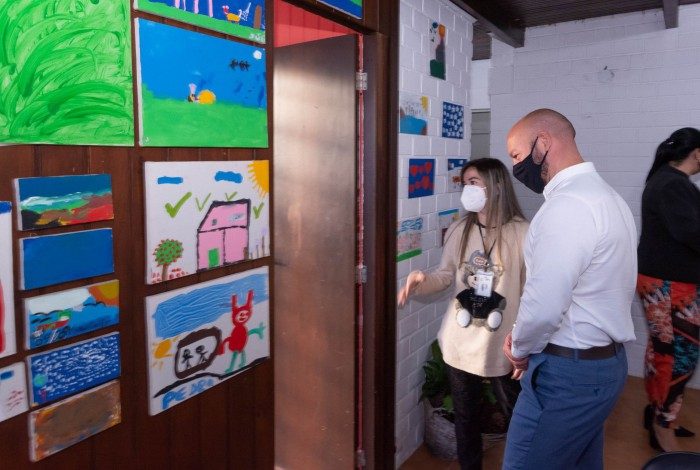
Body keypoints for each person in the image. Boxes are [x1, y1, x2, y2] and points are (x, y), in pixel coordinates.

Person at [501, 109, 637, 470]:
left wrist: (519, 348)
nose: (515, 167)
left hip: (567, 375)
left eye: (516, 155)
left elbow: (544, 306)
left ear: (543, 143)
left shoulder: (567, 207)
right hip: (603, 366)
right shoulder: (609, 198)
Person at [398, 158, 529, 470]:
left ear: (497, 185)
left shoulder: (523, 232)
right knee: (466, 419)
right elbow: (446, 276)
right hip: (460, 343)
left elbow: (531, 291)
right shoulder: (460, 229)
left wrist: (524, 340)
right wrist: (421, 281)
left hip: (503, 345)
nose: (467, 189)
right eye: (465, 183)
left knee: (519, 416)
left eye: (474, 182)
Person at [637, 127, 700, 452]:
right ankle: (663, 426)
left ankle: (656, 413)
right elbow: (691, 233)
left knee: (663, 350)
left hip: (663, 282)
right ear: (697, 154)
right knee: (679, 356)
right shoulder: (672, 184)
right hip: (670, 286)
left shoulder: (666, 180)